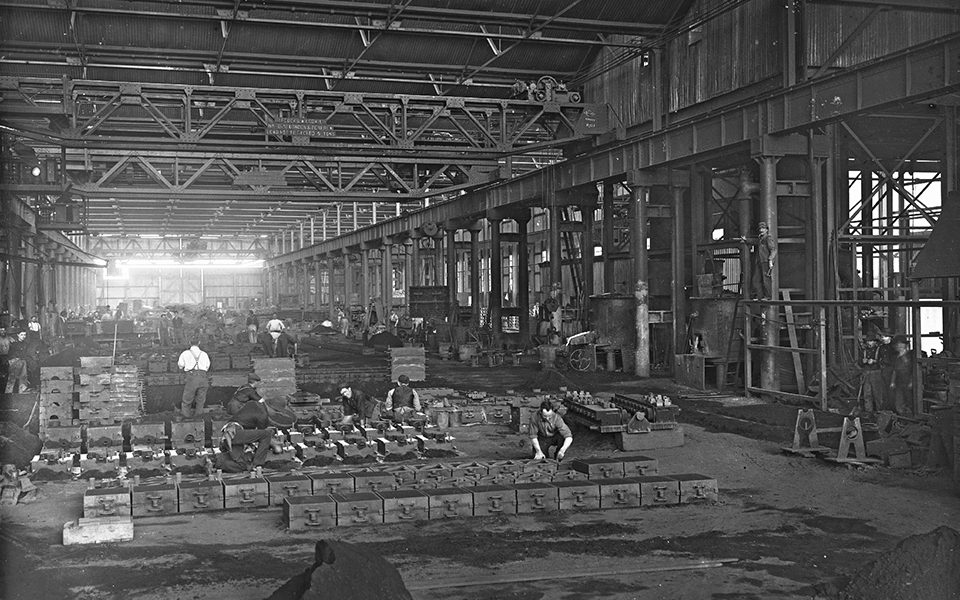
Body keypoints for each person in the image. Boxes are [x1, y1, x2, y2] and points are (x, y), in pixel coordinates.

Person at [177, 339, 210, 417]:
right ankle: (199, 418)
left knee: (187, 400)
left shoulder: (185, 354)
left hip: (192, 378)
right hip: (203, 378)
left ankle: (186, 417)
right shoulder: (204, 354)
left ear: (189, 343)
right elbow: (207, 366)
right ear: (199, 342)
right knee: (200, 400)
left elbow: (180, 365)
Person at [746, 221, 777, 300]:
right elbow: (754, 241)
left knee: (766, 280)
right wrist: (746, 240)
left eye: (763, 228)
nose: (761, 230)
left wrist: (770, 260)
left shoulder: (768, 238)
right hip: (759, 262)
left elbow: (773, 250)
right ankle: (758, 296)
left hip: (765, 262)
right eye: (760, 229)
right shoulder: (760, 239)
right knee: (756, 280)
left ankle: (767, 296)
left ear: (766, 230)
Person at [888, 335, 915, 417]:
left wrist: (911, 381)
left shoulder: (910, 356)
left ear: (905, 345)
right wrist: (892, 382)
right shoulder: (896, 357)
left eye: (900, 344)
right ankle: (902, 417)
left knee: (909, 400)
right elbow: (895, 371)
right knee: (899, 401)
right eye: (897, 344)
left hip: (907, 380)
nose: (898, 346)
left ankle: (909, 417)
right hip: (899, 381)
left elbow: (913, 370)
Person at [859, 334, 885, 414]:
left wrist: (874, 361)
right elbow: (859, 362)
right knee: (867, 394)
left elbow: (884, 361)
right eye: (867, 341)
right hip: (866, 373)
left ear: (874, 342)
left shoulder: (879, 350)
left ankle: (880, 413)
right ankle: (868, 412)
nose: (869, 343)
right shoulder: (864, 351)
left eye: (871, 341)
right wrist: (862, 362)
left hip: (876, 373)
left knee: (878, 394)